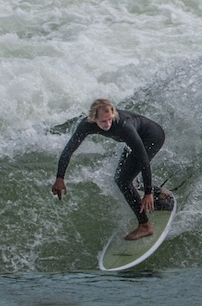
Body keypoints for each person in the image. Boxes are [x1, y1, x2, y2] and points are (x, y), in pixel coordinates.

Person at [52, 98, 168, 241]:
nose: (107, 124)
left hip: (152, 137)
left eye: (110, 119)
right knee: (124, 178)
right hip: (135, 139)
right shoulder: (86, 125)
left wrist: (148, 193)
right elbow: (68, 150)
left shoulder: (123, 126)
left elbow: (144, 160)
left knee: (123, 181)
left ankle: (145, 225)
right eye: (103, 121)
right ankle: (159, 195)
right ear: (93, 119)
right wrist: (60, 177)